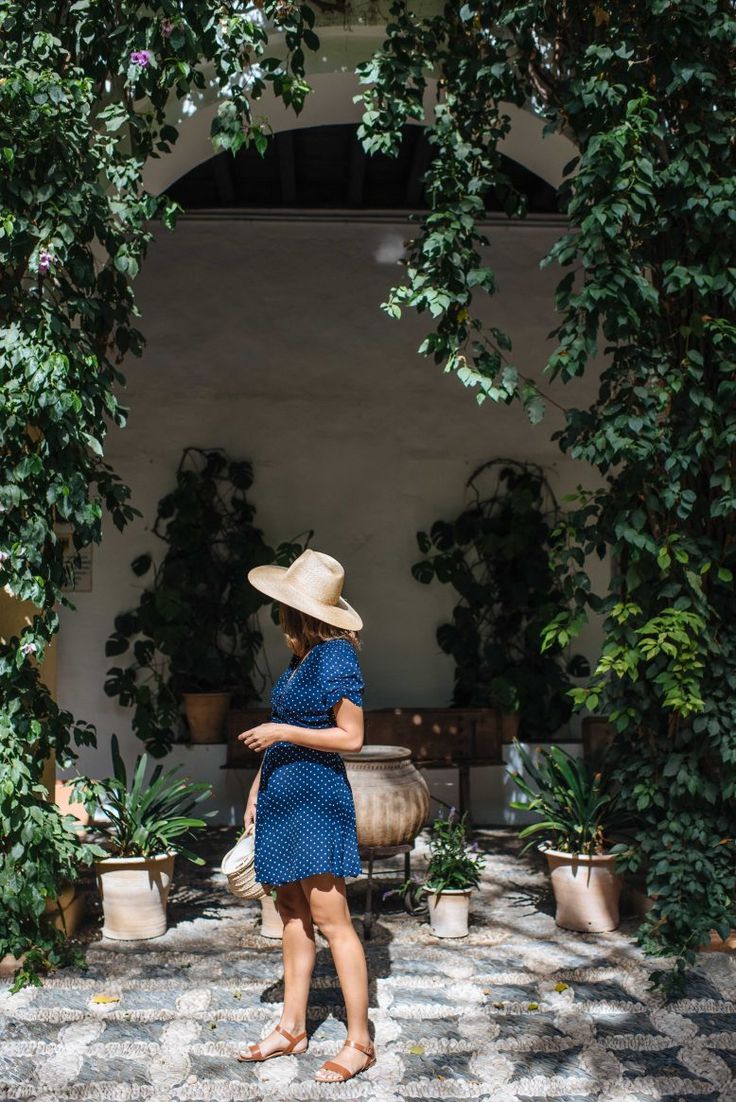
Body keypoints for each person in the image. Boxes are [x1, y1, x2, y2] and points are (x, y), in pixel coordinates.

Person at [235, 548, 376, 1084]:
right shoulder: (301, 661)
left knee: (331, 919)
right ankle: (292, 1027)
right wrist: (255, 788)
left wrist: (281, 733)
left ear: (299, 612)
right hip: (281, 795)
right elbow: (281, 724)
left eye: (283, 607)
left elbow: (353, 738)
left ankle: (360, 1041)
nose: (277, 616)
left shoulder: (337, 657)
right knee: (291, 911)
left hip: (316, 800)